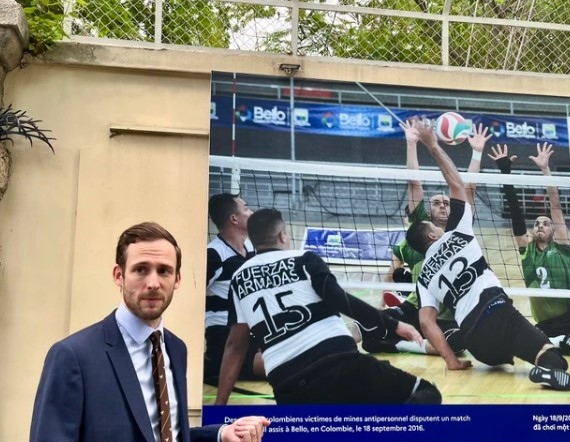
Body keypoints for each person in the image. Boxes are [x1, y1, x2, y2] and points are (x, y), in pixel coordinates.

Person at [26, 222, 270, 442]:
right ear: (118, 275)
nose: (153, 282)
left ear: (178, 279)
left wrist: (223, 436)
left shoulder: (177, 350)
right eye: (141, 269)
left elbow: (160, 441)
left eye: (164, 270)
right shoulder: (73, 357)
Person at [406, 118, 570, 391]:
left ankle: (521, 357)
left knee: (500, 358)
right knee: (552, 358)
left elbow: (427, 322)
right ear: (431, 235)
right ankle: (544, 368)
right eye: (433, 225)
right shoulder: (457, 233)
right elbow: (458, 186)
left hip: (476, 343)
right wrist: (433, 145)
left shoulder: (424, 277)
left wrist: (452, 361)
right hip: (497, 312)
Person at [214, 208, 442, 406]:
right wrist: (394, 325)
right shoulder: (304, 259)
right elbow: (341, 300)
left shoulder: (239, 278)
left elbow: (235, 344)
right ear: (283, 235)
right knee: (426, 393)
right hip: (340, 365)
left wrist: (220, 405)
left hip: (287, 384)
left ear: (253, 240)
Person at [358, 116, 491, 355]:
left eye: (446, 203)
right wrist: (412, 143)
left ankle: (412, 344)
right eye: (437, 203)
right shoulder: (419, 229)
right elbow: (414, 183)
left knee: (456, 344)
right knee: (369, 329)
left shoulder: (460, 228)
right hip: (416, 305)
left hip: (448, 312)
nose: (442, 205)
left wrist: (477, 153)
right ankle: (413, 343)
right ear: (428, 213)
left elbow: (468, 188)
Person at [489, 142, 570, 356]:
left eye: (545, 223)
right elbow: (516, 211)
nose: (540, 225)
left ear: (554, 229)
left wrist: (545, 169)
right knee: (522, 346)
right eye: (536, 224)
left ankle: (566, 342)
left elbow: (555, 205)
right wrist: (505, 171)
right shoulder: (527, 250)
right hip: (547, 325)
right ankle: (564, 342)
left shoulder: (561, 246)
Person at [204, 194, 264, 385]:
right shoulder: (214, 255)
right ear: (234, 219)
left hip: (253, 329)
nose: (252, 212)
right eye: (246, 208)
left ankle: (357, 329)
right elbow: (188, 298)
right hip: (224, 334)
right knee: (287, 365)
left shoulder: (252, 248)